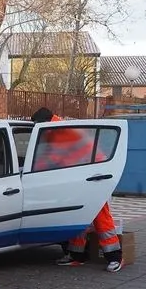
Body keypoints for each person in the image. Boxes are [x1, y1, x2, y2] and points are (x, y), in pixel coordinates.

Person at [31, 107, 124, 273]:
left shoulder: (60, 133)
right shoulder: (57, 129)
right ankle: (77, 255)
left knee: (101, 218)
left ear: (43, 122)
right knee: (77, 216)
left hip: (94, 177)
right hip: (82, 177)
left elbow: (51, 160)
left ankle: (115, 257)